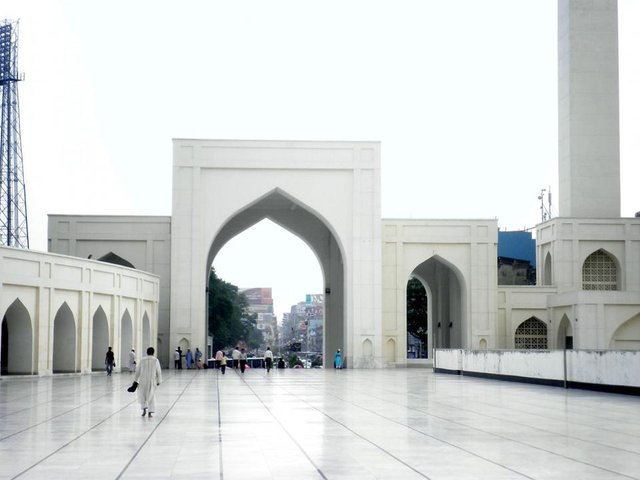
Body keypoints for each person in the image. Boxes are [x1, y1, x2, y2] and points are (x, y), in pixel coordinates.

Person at [133, 346, 162, 418]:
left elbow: (138, 371)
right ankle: (150, 413)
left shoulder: (142, 360)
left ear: (147, 352)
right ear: (153, 352)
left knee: (143, 396)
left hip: (143, 381)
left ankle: (144, 411)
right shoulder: (155, 360)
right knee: (151, 396)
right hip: (152, 381)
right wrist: (159, 381)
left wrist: (135, 380)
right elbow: (158, 372)